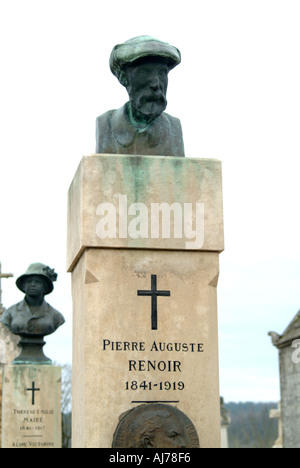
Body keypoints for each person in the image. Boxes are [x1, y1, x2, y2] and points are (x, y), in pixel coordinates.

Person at [96, 36, 185, 157]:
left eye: (162, 73)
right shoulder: (106, 124)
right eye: (144, 72)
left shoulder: (174, 128)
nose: (155, 84)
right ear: (124, 78)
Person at [0, 263, 65, 337]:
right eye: (29, 281)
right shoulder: (10, 313)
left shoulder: (56, 316)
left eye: (37, 281)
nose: (33, 284)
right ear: (23, 286)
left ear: (45, 287)